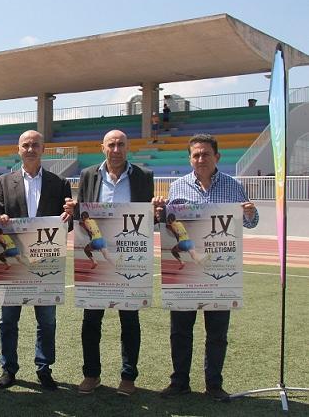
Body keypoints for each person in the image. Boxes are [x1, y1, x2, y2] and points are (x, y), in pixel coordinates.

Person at [153, 133, 258, 401]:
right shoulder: (176, 187)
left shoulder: (233, 186)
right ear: (190, 158)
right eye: (196, 154)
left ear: (217, 157)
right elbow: (166, 224)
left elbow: (250, 222)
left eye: (206, 154)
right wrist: (158, 214)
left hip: (221, 273)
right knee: (180, 331)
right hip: (186, 272)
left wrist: (249, 212)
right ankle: (179, 382)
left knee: (217, 333)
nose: (200, 159)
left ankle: (214, 384)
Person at [64, 129, 154, 396]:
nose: (116, 149)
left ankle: (128, 377)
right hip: (99, 259)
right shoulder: (89, 174)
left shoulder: (143, 176)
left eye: (121, 145)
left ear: (128, 148)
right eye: (111, 145)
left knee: (130, 320)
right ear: (102, 147)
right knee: (91, 321)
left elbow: (148, 217)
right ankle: (91, 375)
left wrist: (157, 211)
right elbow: (85, 214)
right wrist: (74, 210)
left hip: (129, 259)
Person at [0, 130, 72, 391]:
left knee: (47, 320)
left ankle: (44, 368)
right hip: (13, 264)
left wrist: (70, 217)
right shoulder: (2, 183)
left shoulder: (59, 183)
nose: (30, 149)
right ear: (18, 149)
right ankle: (8, 368)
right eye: (25, 145)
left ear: (43, 149)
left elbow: (66, 227)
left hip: (46, 263)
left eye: (35, 145)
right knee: (8, 321)